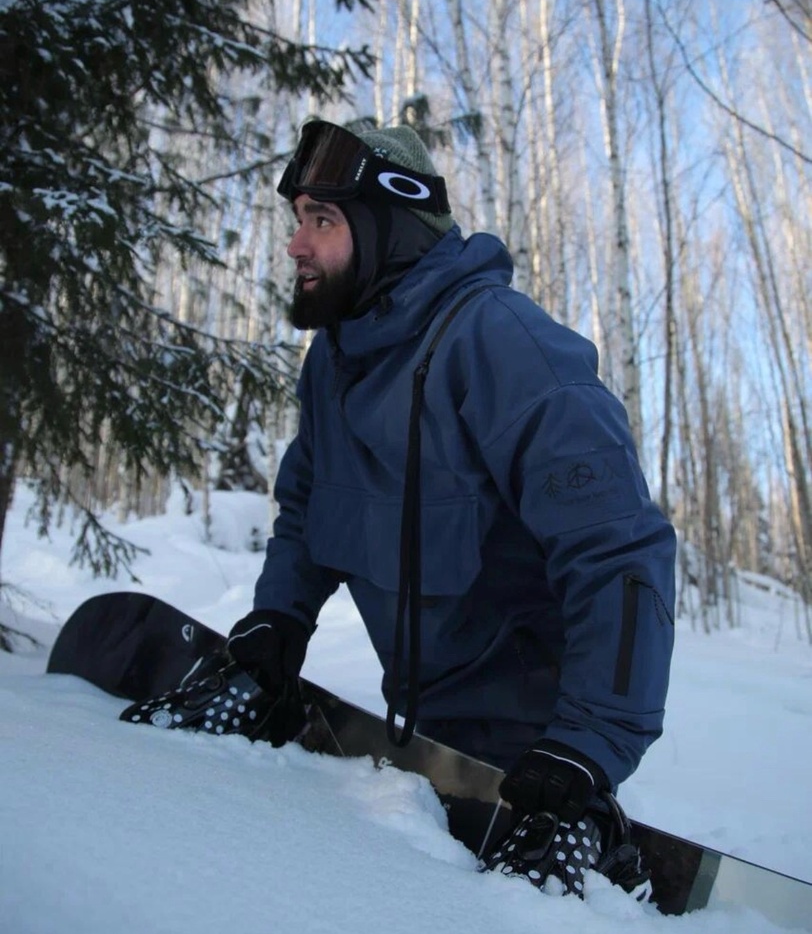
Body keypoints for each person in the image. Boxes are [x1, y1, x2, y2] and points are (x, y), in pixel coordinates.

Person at [181, 119, 676, 894]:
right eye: (297, 220)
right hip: (421, 744)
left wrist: (585, 748)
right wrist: (279, 619)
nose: (295, 246)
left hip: (539, 761)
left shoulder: (506, 347)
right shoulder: (337, 360)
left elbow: (620, 556)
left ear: (391, 230)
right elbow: (310, 503)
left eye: (323, 221)